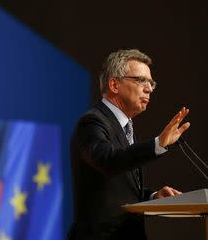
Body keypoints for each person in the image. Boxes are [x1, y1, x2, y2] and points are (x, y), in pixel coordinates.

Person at [67, 49, 190, 240]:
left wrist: (152, 197)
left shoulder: (124, 126)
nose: (149, 88)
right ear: (114, 84)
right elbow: (107, 161)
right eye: (141, 80)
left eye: (151, 83)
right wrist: (157, 144)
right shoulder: (92, 122)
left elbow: (117, 190)